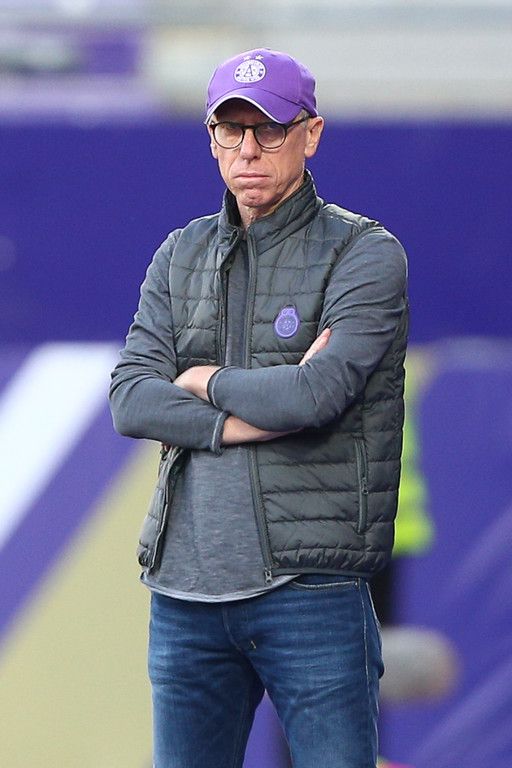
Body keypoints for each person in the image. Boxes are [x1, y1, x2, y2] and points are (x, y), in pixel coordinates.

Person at [109, 47, 408, 768]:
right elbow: (130, 399)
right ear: (211, 139)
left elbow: (315, 394)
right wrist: (245, 419)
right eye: (230, 129)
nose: (248, 149)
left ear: (311, 134)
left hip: (312, 589)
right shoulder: (179, 253)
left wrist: (202, 379)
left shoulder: (365, 254)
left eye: (269, 129)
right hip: (183, 593)